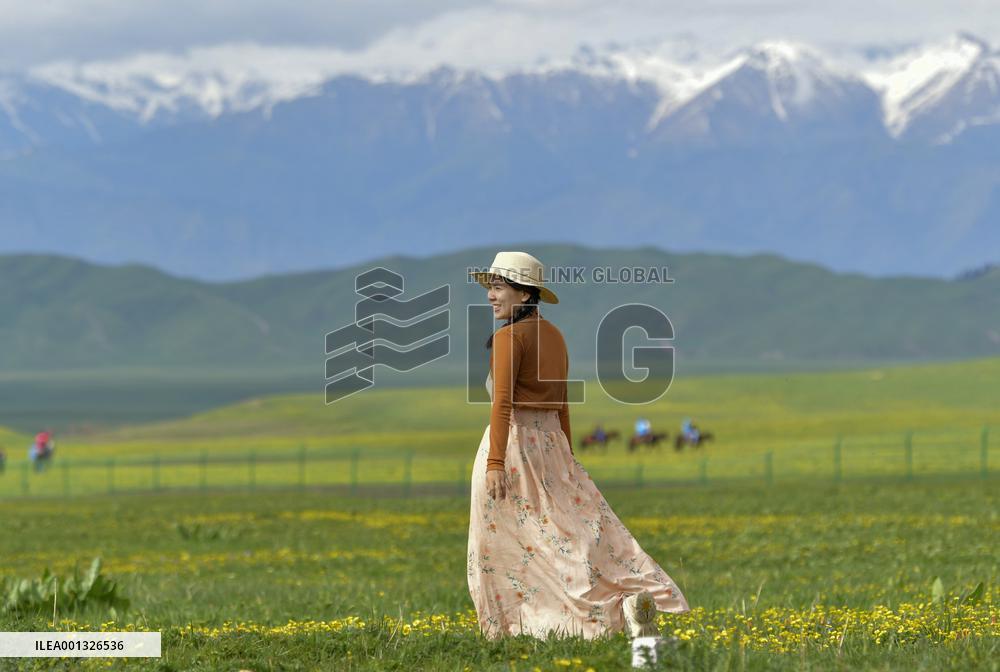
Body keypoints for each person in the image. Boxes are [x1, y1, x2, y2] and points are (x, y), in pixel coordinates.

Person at [467, 250, 689, 641]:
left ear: (523, 294)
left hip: (515, 445)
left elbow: (502, 403)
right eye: (490, 287)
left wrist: (495, 462)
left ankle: (519, 628)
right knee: (569, 532)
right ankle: (618, 603)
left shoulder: (508, 338)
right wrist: (567, 454)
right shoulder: (554, 335)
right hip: (552, 445)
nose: (490, 295)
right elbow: (563, 403)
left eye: (498, 287)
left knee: (511, 541)